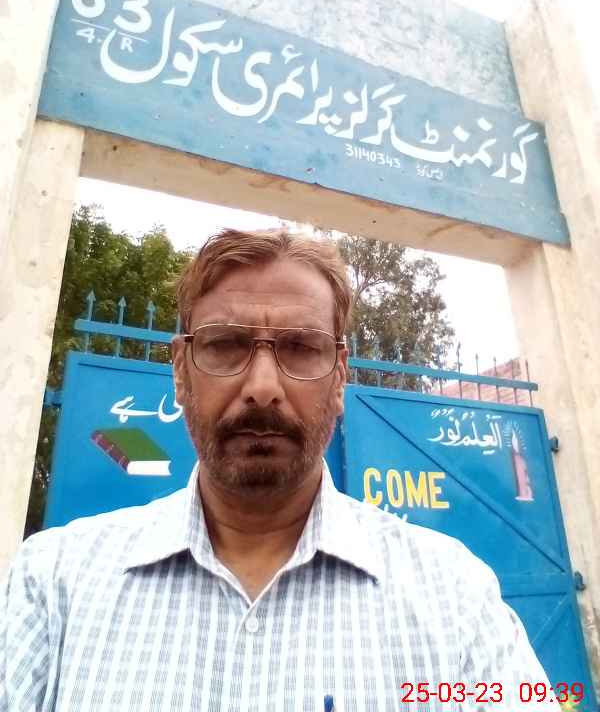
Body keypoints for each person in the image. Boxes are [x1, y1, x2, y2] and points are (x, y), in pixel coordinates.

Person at [1, 228, 557, 711]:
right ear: (180, 371)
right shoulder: (53, 584)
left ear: (340, 377)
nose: (263, 387)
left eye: (301, 348)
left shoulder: (454, 596)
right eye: (225, 345)